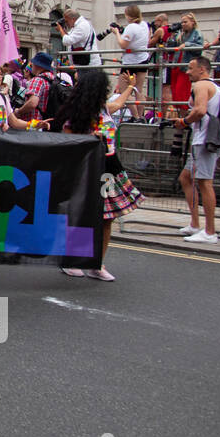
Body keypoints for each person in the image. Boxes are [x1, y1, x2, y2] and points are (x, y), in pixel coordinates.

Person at [54, 68, 140, 280]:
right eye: (104, 88)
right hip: (84, 171)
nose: (107, 92)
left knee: (106, 218)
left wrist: (130, 86)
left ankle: (97, 263)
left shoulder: (105, 110)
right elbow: (68, 143)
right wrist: (90, 139)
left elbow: (119, 104)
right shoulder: (75, 116)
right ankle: (71, 259)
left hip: (108, 170)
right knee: (80, 216)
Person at [176, 57, 220, 244]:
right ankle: (195, 224)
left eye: (190, 68)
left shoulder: (201, 86)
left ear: (202, 70)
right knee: (185, 178)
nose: (187, 72)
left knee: (205, 183)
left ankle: (210, 232)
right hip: (207, 139)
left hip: (204, 140)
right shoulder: (215, 86)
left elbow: (200, 110)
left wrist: (183, 122)